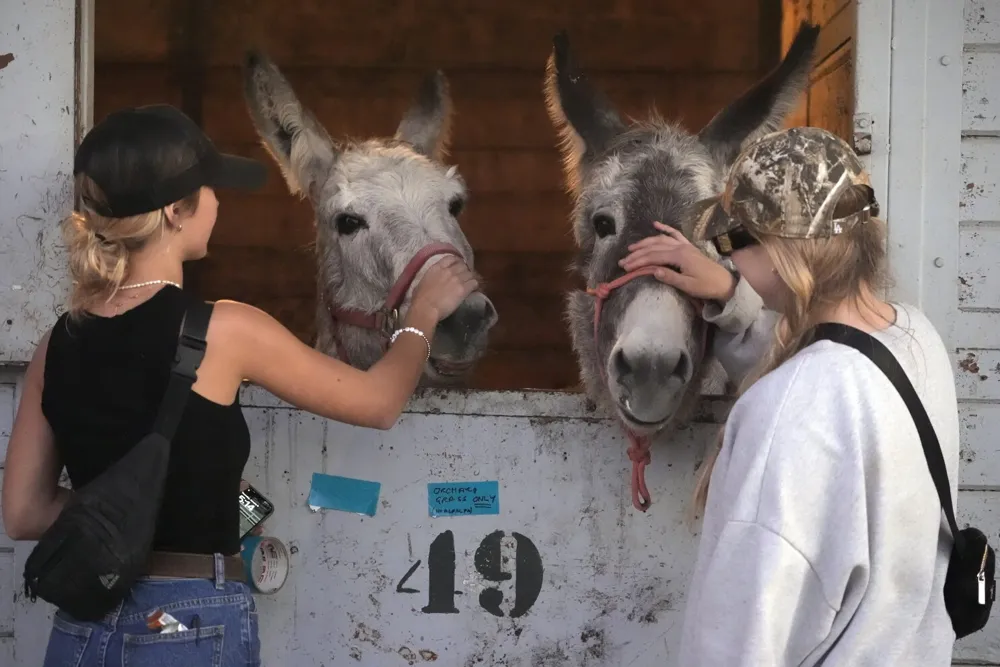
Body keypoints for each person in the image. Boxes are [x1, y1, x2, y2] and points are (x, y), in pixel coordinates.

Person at [1, 104, 479, 667]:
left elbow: (24, 513)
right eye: (210, 190)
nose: (219, 202)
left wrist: (133, 510)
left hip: (83, 627)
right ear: (177, 211)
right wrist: (421, 315)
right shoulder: (224, 329)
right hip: (182, 624)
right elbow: (377, 402)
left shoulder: (55, 344)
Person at [620, 126, 959, 665]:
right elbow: (833, 375)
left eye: (730, 241)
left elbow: (739, 643)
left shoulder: (788, 409)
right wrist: (732, 295)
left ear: (778, 252)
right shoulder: (914, 339)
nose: (722, 254)